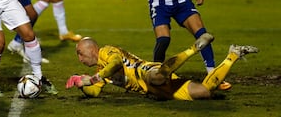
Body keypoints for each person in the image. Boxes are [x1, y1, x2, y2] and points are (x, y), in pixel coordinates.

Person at [66, 37, 258, 101]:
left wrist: (92, 78)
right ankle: (233, 54)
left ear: (92, 50)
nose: (79, 58)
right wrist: (79, 83)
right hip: (157, 92)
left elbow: (116, 63)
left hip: (147, 71)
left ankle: (194, 48)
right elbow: (94, 92)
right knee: (205, 92)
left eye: (80, 53)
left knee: (156, 77)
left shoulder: (106, 52)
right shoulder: (102, 72)